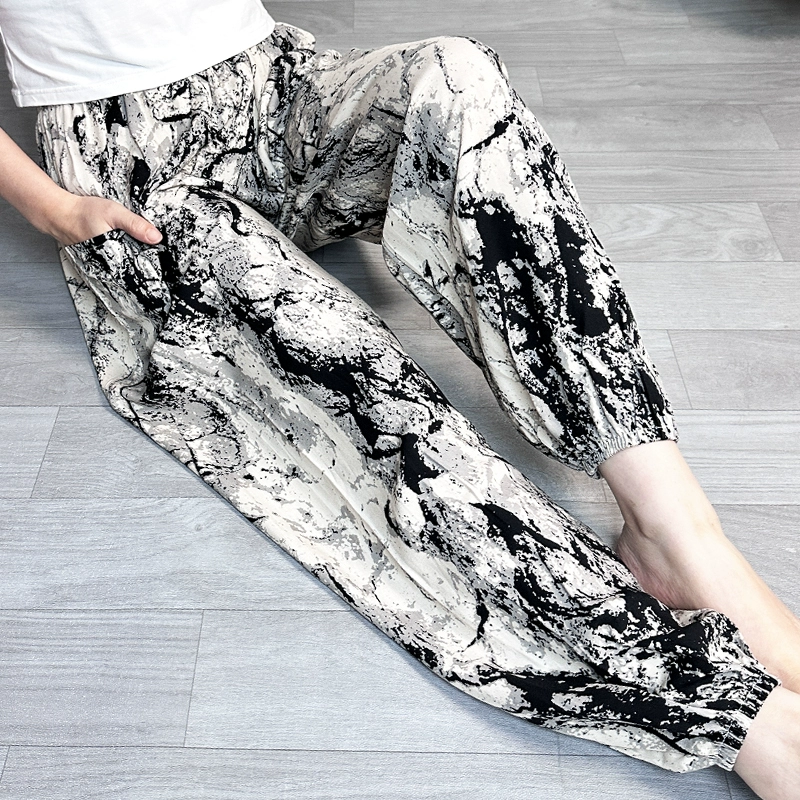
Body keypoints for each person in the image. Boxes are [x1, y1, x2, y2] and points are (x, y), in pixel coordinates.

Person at [0, 1, 798, 796]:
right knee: (374, 402)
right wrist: (54, 208)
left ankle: (676, 530)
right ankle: (730, 712)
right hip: (137, 174)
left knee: (459, 77)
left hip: (274, 87)